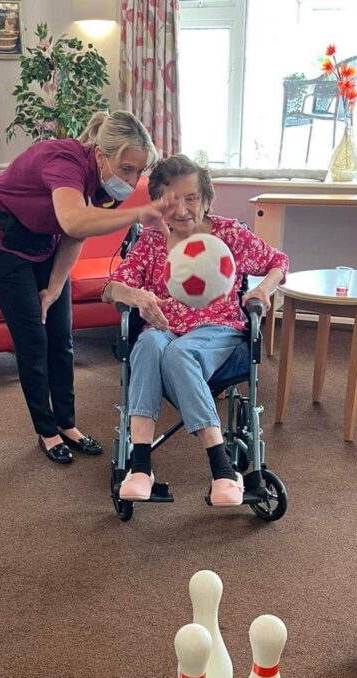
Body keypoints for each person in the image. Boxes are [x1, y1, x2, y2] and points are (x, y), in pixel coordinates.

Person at [0, 111, 178, 465]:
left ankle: (66, 424)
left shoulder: (108, 184)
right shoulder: (63, 160)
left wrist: (54, 289)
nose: (132, 181)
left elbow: (76, 234)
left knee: (61, 335)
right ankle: (46, 430)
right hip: (0, 241)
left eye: (139, 171)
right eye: (127, 169)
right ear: (100, 154)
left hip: (43, 242)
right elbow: (72, 219)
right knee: (33, 339)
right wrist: (138, 214)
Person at [102, 154, 289, 506]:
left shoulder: (228, 235)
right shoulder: (151, 242)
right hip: (165, 328)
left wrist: (263, 290)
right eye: (172, 201)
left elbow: (278, 261)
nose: (183, 210)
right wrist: (134, 294)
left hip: (218, 330)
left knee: (178, 353)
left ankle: (223, 470)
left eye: (191, 198)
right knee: (147, 345)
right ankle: (140, 467)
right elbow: (110, 286)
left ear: (205, 199)